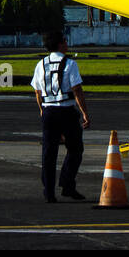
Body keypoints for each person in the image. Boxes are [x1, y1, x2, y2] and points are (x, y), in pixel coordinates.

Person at [31, 31, 91, 203]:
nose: (67, 43)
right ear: (59, 44)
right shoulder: (70, 64)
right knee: (75, 149)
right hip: (66, 111)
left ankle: (48, 192)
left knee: (49, 154)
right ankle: (67, 183)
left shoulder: (40, 64)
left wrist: (41, 109)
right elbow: (77, 90)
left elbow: (37, 91)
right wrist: (85, 113)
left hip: (49, 111)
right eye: (65, 41)